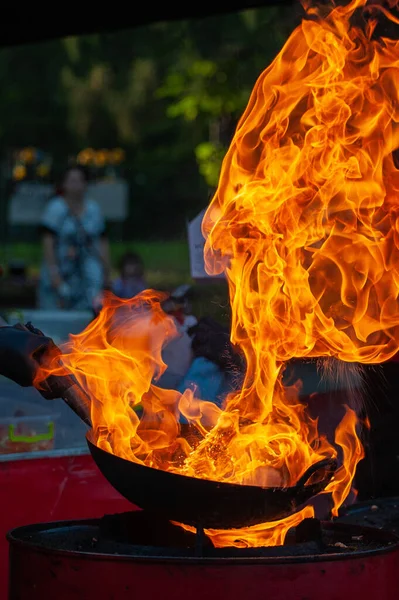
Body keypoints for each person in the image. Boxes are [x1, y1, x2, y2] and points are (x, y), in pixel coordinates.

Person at [39, 165, 111, 311]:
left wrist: (106, 271)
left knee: (87, 315)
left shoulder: (93, 209)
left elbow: (101, 241)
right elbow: (48, 242)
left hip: (87, 274)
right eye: (72, 180)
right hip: (61, 269)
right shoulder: (55, 208)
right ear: (64, 183)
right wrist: (54, 273)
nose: (76, 184)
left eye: (80, 180)